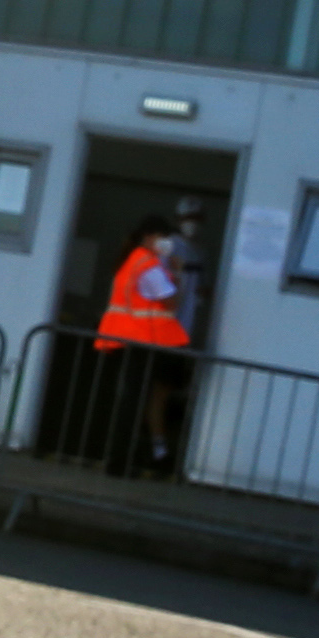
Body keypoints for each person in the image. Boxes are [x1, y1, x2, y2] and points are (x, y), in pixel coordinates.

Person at [91, 200, 208, 473]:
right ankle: (121, 462)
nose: (165, 241)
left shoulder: (134, 260)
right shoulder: (147, 265)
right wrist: (177, 273)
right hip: (139, 340)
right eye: (162, 236)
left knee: (132, 399)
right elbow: (171, 302)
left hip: (127, 338)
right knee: (134, 401)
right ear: (149, 237)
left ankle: (122, 459)